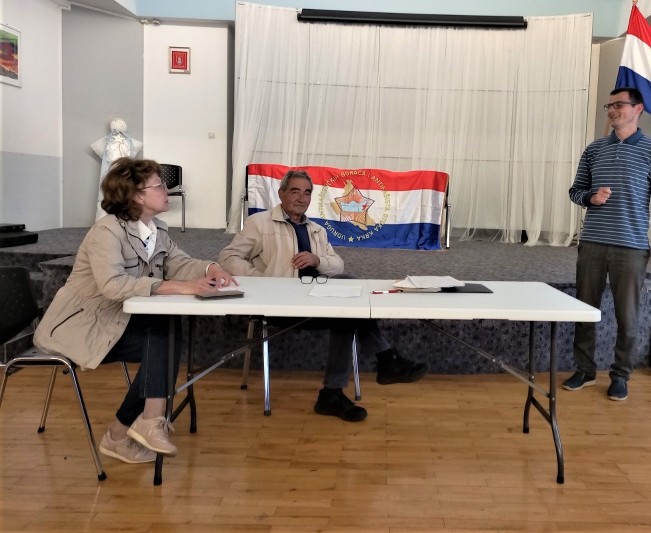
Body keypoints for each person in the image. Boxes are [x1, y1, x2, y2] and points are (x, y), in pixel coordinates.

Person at [34, 158, 237, 463]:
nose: (167, 190)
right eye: (160, 185)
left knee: (164, 334)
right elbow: (113, 285)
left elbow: (180, 263)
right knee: (163, 339)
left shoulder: (156, 230)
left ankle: (135, 426)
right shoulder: (106, 232)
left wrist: (212, 268)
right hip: (82, 327)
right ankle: (131, 429)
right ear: (137, 196)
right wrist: (178, 287)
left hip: (117, 322)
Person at [219, 169, 428, 422]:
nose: (301, 198)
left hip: (315, 298)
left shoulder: (317, 229)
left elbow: (337, 265)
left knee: (349, 287)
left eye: (307, 193)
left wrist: (317, 260)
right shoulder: (259, 223)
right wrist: (265, 280)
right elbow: (228, 258)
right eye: (295, 191)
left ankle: (341, 389)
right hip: (280, 304)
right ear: (281, 193)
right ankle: (377, 365)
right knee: (346, 314)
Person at [564, 87, 651, 401]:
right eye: (609, 106)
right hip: (593, 243)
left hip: (631, 245)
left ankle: (621, 375)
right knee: (585, 309)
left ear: (638, 108)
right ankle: (584, 370)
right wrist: (591, 198)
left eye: (619, 104)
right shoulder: (594, 149)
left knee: (628, 316)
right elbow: (575, 191)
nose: (612, 110)